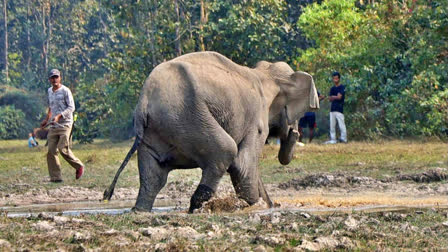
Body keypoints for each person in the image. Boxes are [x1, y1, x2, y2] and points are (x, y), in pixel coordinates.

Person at [40, 69, 84, 183]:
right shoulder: (49, 91)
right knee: (51, 151)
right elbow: (50, 107)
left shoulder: (65, 91)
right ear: (49, 79)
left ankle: (79, 166)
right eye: (52, 77)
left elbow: (71, 108)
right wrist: (46, 119)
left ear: (60, 78)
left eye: (56, 77)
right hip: (53, 125)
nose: (54, 79)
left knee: (62, 148)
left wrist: (59, 116)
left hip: (65, 124)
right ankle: (56, 177)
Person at [324, 71, 347, 144]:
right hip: (332, 109)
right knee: (332, 126)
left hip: (339, 109)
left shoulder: (342, 87)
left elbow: (339, 97)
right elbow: (330, 98)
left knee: (341, 125)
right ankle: (333, 139)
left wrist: (334, 97)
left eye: (336, 78)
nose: (335, 80)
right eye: (334, 78)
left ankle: (344, 139)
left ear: (339, 79)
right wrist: (335, 97)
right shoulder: (332, 88)